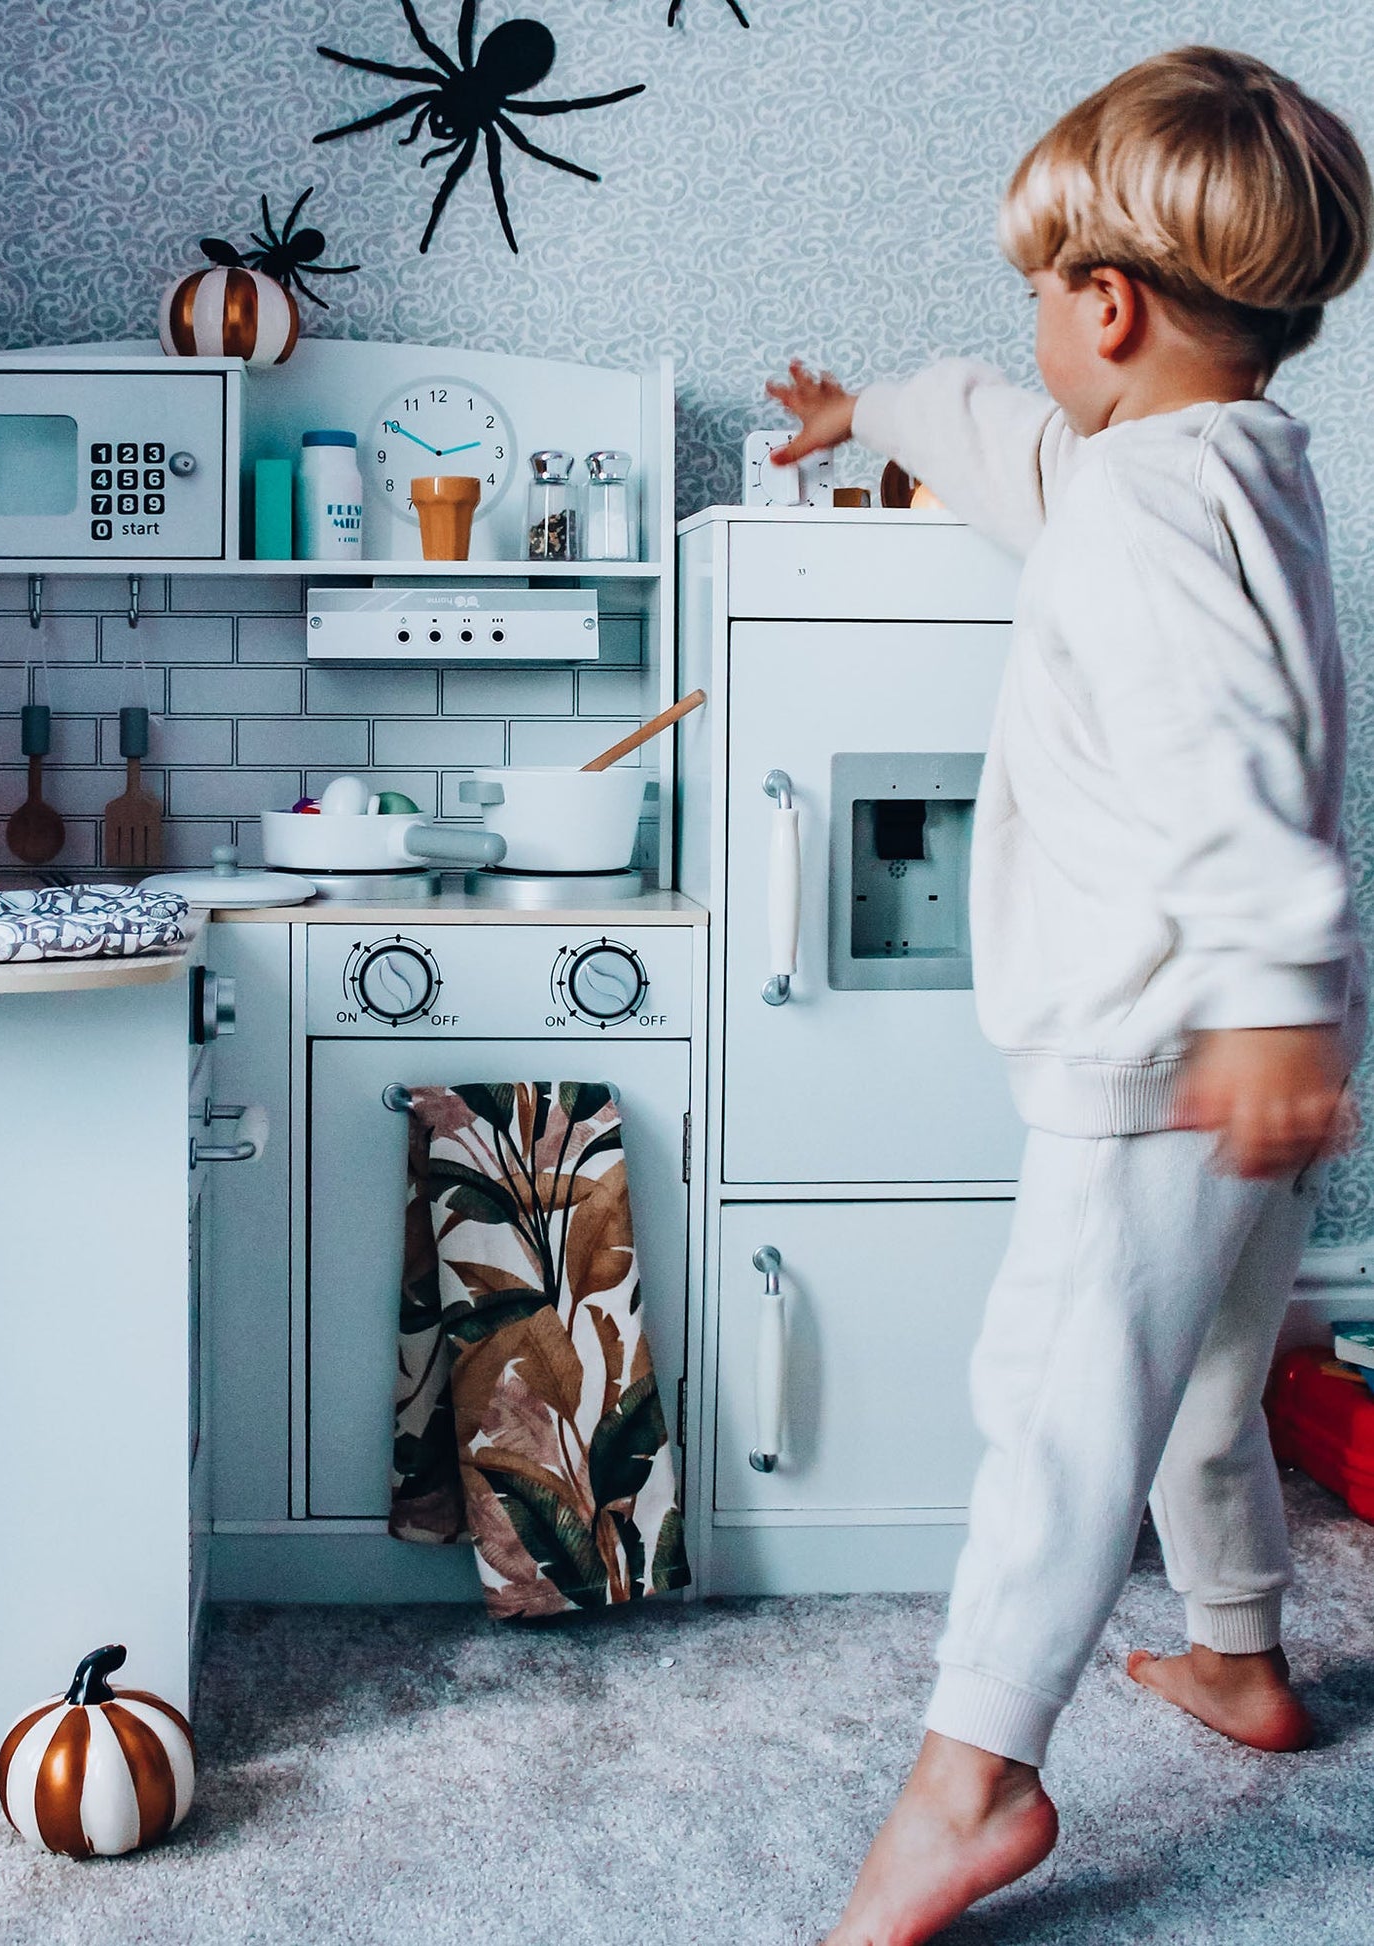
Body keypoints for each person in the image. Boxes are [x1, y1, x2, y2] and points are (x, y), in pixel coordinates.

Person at [766, 46, 1372, 1946]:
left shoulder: (1133, 520)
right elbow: (1012, 437)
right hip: (1251, 1046)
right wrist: (869, 405)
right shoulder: (1222, 465)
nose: (1024, 331)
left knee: (1050, 1401)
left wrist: (1266, 982)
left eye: (1037, 295)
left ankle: (974, 1780)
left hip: (1161, 1042)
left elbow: (1227, 760)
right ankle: (1239, 1655)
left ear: (1102, 306)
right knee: (1202, 1368)